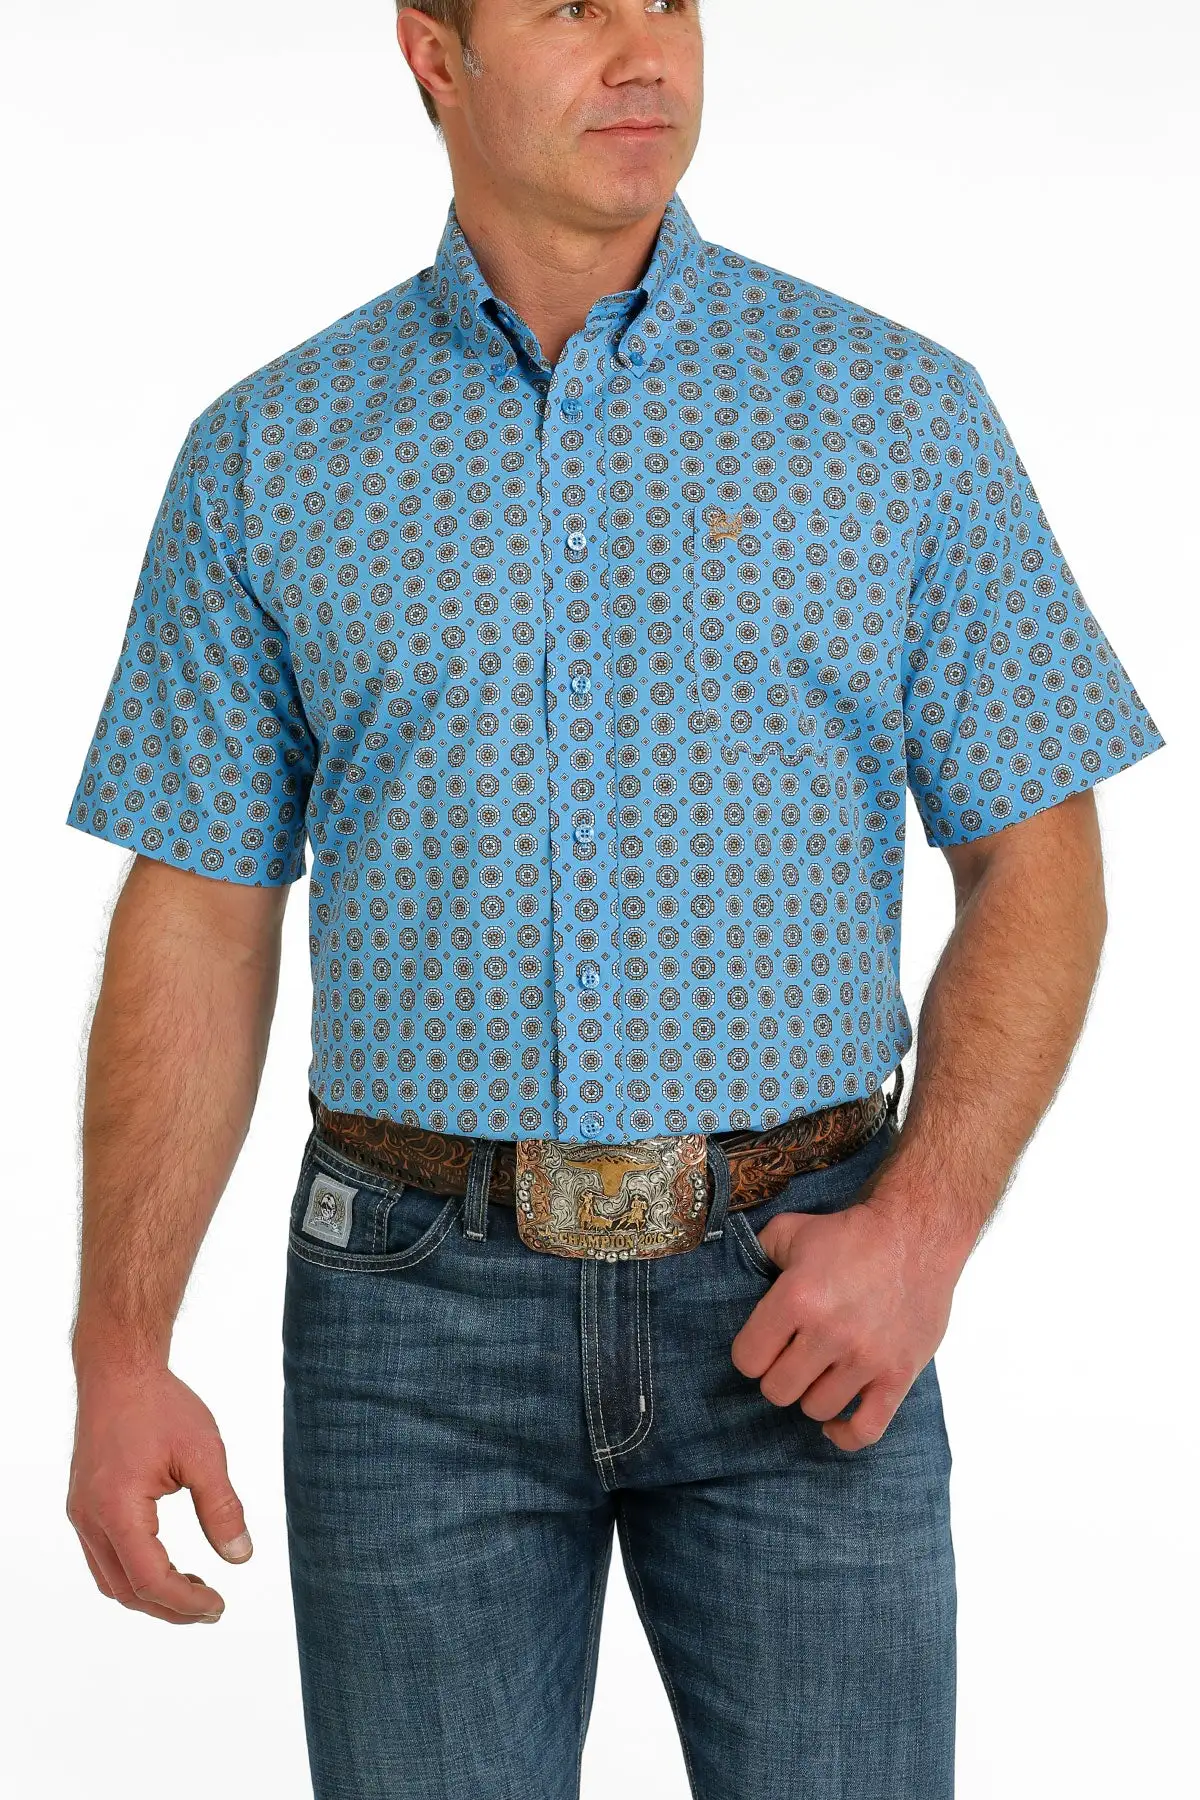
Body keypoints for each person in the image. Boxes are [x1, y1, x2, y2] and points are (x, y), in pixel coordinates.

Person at [63, 3, 1165, 1796]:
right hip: (407, 1325)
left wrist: (923, 1231)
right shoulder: (270, 454)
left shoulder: (898, 415)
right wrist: (121, 1348)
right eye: (572, 6)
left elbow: (1040, 860)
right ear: (434, 52)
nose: (643, 51)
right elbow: (196, 911)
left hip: (805, 1292)